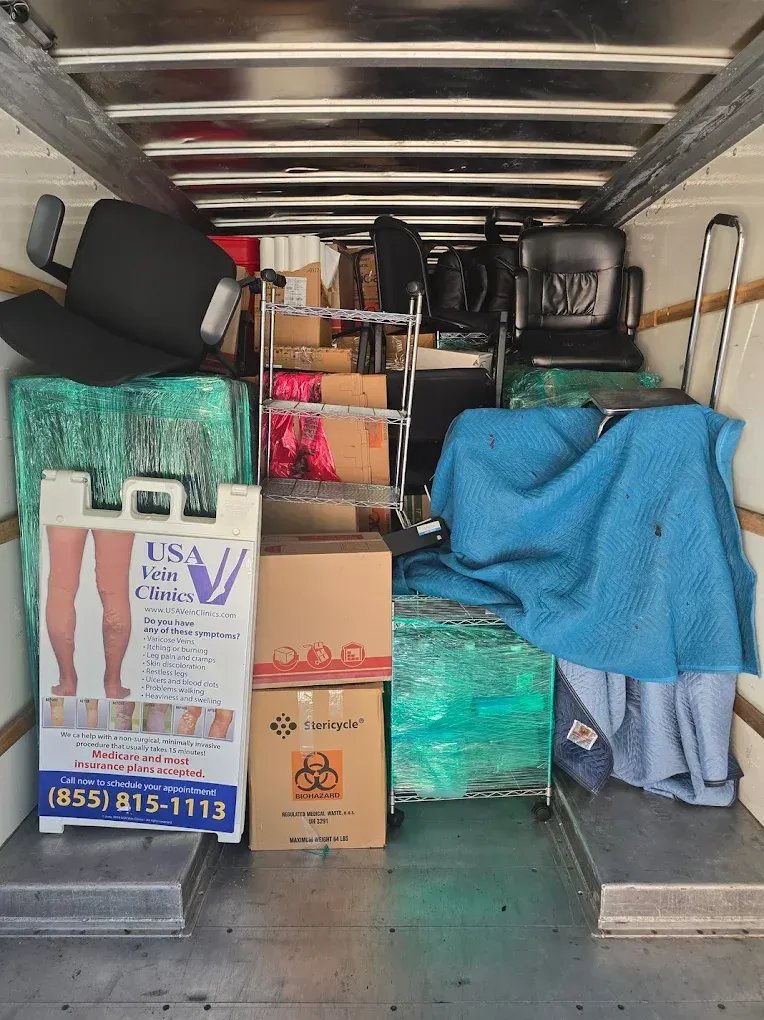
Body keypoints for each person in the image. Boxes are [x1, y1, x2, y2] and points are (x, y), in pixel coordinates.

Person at [45, 526, 134, 699]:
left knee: (61, 589)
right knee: (115, 592)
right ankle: (112, 684)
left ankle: (67, 682)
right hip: (116, 501)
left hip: (66, 500)